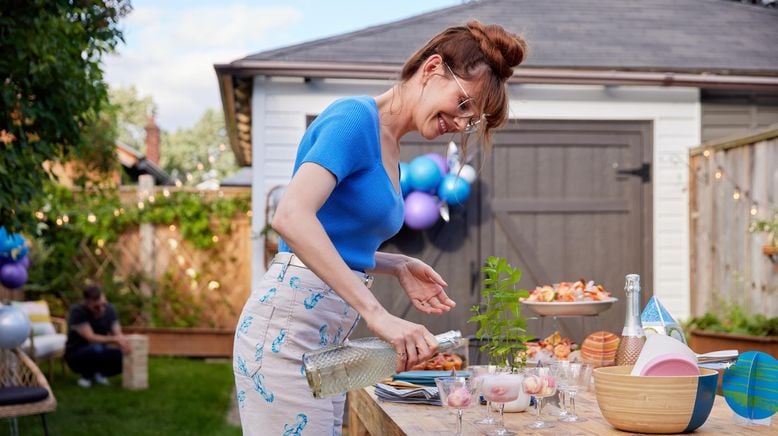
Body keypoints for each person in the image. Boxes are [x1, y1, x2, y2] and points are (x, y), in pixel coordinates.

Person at [233, 19, 527, 435]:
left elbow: (332, 237)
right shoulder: (354, 119)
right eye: (464, 104)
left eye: (472, 120)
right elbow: (292, 217)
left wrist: (395, 264)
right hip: (285, 332)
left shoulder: (390, 147)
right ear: (431, 69)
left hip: (327, 339)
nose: (462, 124)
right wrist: (376, 313)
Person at [64, 284, 130, 388]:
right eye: (96, 306)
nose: (101, 309)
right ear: (87, 302)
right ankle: (87, 376)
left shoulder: (110, 309)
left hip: (100, 350)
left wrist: (123, 344)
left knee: (124, 356)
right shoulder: (77, 311)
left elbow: (117, 332)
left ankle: (100, 374)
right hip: (76, 354)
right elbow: (91, 337)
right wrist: (115, 340)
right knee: (96, 348)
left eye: (103, 304)